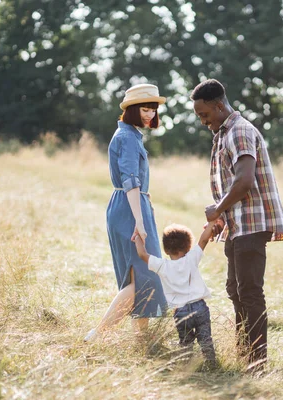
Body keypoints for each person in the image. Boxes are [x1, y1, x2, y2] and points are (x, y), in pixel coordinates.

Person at [190, 79, 283, 372]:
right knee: (235, 290)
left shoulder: (240, 131)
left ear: (219, 106)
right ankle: (245, 353)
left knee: (249, 292)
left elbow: (244, 181)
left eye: (204, 114)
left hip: (251, 225)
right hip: (238, 226)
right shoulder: (224, 133)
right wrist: (223, 215)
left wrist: (217, 208)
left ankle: (257, 364)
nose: (202, 120)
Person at [84, 83, 168, 342]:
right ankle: (97, 335)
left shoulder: (129, 135)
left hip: (130, 205)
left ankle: (141, 340)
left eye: (153, 110)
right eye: (145, 109)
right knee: (143, 275)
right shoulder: (128, 138)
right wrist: (140, 221)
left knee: (140, 275)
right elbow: (131, 180)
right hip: (130, 209)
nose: (150, 115)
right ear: (131, 109)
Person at [133, 221, 218, 368]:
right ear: (188, 246)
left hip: (180, 312)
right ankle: (211, 364)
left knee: (185, 342)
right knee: (206, 339)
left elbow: (142, 253)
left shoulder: (161, 265)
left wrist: (137, 236)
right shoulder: (191, 259)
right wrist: (211, 222)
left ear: (166, 250)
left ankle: (186, 365)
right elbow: (204, 239)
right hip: (200, 308)